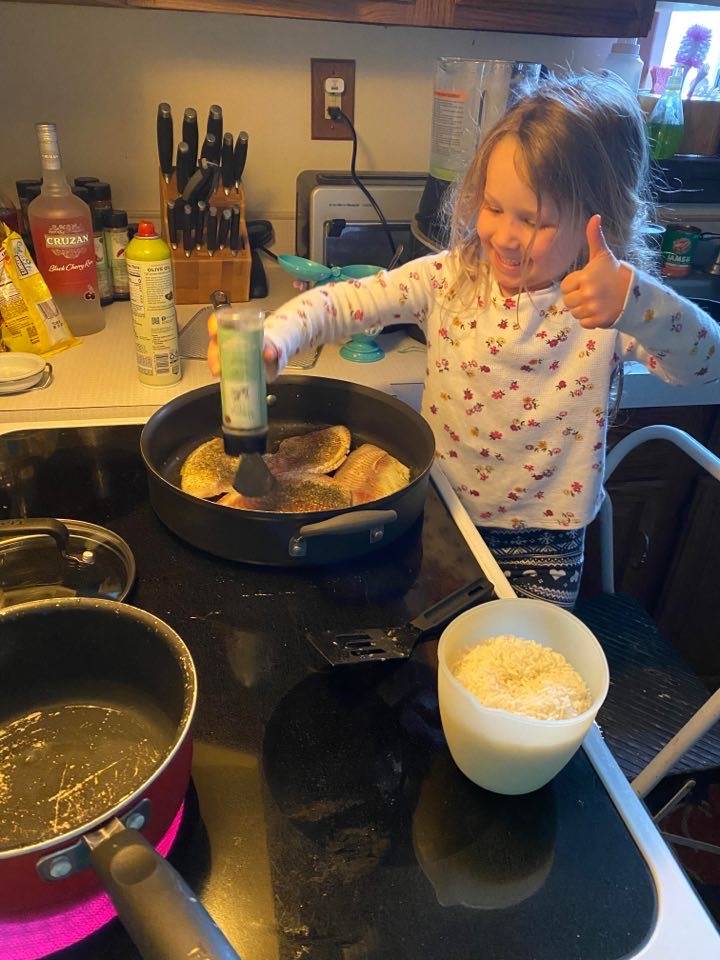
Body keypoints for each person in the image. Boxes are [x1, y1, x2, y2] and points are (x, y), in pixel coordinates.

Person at [208, 74, 720, 608]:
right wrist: (276, 338)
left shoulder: (609, 304)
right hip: (440, 510)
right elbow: (342, 302)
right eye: (494, 207)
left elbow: (708, 368)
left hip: (545, 543)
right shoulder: (450, 278)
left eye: (534, 220)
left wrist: (638, 303)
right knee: (430, 659)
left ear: (602, 220)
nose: (504, 234)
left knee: (512, 672)